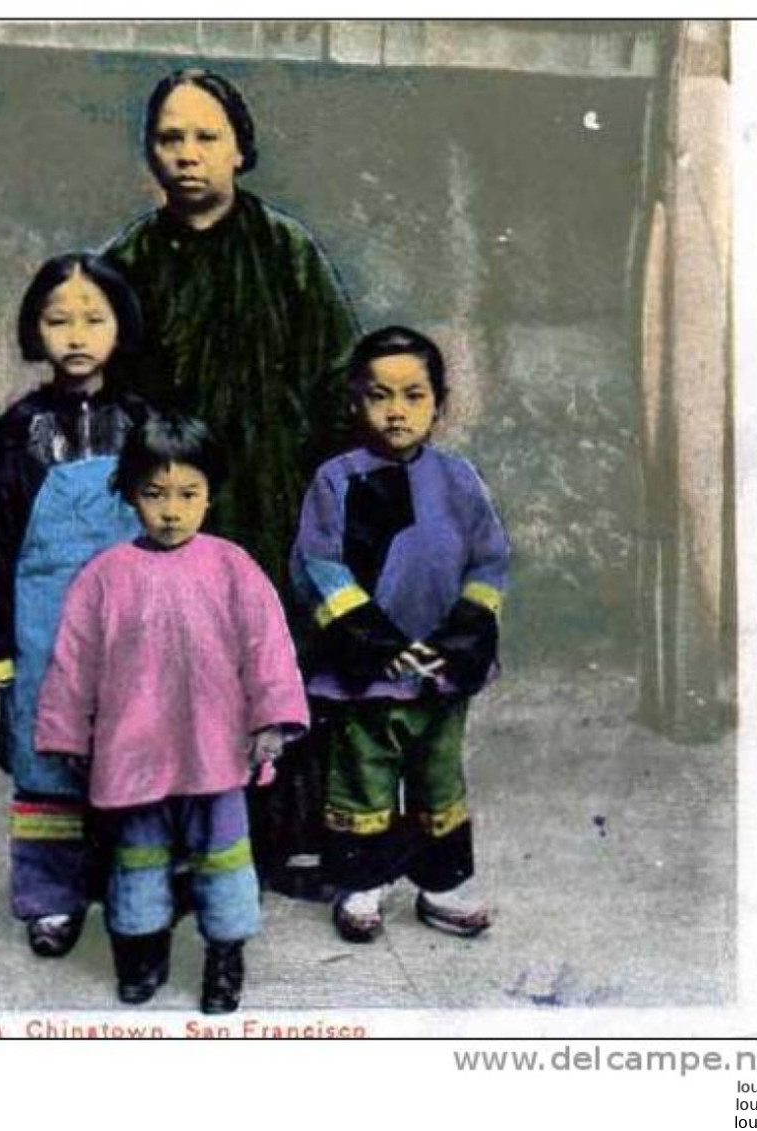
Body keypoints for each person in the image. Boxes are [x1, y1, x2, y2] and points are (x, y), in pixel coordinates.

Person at [103, 68, 360, 900]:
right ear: (150, 153)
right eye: (170, 139)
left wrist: (327, 510)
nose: (187, 155)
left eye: (205, 137)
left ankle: (288, 840)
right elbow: (106, 404)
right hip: (169, 509)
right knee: (171, 666)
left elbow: (336, 385)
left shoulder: (287, 253)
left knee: (275, 659)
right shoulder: (128, 263)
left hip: (275, 498)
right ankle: (178, 840)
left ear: (240, 149)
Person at [35, 416, 307, 1014]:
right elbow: (73, 662)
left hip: (216, 747)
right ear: (131, 494)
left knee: (225, 857)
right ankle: (141, 953)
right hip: (134, 752)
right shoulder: (105, 577)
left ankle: (225, 958)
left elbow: (267, 650)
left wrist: (269, 723)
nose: (171, 511)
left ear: (210, 493)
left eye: (188, 494)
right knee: (137, 858)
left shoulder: (233, 567)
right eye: (155, 495)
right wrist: (68, 734)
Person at [0, 253, 150, 959]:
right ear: (35, 329)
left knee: (134, 755)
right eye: (57, 319)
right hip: (43, 624)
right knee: (47, 767)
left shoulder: (144, 424)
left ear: (119, 327)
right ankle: (51, 898)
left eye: (92, 318)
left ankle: (137, 890)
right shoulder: (18, 430)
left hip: (134, 624)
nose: (75, 334)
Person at [289, 326, 509, 944]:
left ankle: (441, 884)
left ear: (438, 401)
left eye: (413, 395)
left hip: (441, 666)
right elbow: (319, 564)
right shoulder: (337, 480)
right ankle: (366, 879)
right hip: (371, 666)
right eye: (378, 395)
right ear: (355, 402)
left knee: (439, 773)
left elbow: (489, 559)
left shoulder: (459, 479)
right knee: (365, 771)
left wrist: (463, 631)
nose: (396, 411)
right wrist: (374, 641)